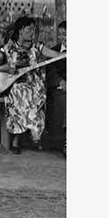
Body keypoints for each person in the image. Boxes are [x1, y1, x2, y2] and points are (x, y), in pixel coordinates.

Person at [0, 17, 62, 154]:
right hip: (15, 84)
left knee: (30, 94)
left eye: (33, 30)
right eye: (29, 30)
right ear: (21, 31)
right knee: (19, 93)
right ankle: (27, 136)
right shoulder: (8, 48)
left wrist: (65, 54)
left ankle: (23, 137)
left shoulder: (37, 47)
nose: (32, 33)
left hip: (35, 84)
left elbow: (55, 55)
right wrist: (4, 68)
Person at [46, 21, 67, 156]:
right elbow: (51, 72)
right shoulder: (53, 51)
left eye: (66, 34)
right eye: (61, 34)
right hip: (60, 87)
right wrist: (61, 81)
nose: (63, 37)